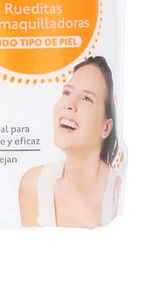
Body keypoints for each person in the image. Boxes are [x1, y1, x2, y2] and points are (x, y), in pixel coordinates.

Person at [19, 56, 121, 228]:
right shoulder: (34, 186)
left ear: (106, 128)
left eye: (87, 98)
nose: (69, 104)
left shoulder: (119, 191)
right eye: (67, 93)